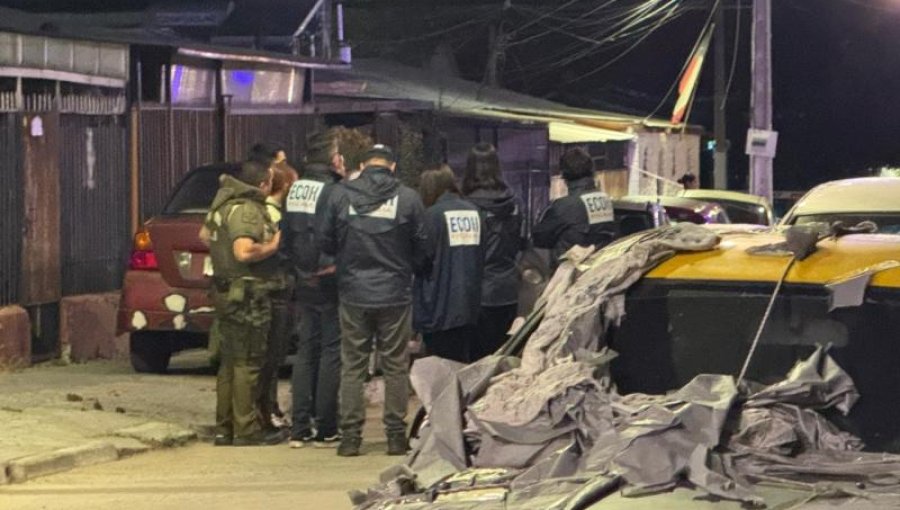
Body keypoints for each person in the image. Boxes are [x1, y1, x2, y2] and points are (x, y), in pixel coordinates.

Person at [317, 144, 429, 457]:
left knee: (353, 365)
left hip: (353, 292)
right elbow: (423, 245)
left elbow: (324, 238)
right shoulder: (408, 198)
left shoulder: (340, 194)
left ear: (364, 165)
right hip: (395, 292)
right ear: (392, 167)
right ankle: (395, 436)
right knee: (395, 365)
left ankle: (350, 438)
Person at [203, 160, 285, 446]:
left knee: (228, 364)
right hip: (247, 296)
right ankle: (247, 429)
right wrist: (272, 246)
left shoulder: (222, 206)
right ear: (262, 184)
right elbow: (243, 251)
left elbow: (205, 237)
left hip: (226, 294)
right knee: (247, 364)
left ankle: (225, 428)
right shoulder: (247, 210)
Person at [282, 130, 345, 448]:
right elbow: (342, 236)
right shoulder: (334, 192)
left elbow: (285, 237)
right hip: (329, 279)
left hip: (301, 279)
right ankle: (326, 427)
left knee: (306, 351)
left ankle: (298, 427)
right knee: (331, 351)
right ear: (333, 159)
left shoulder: (295, 190)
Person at [414, 164, 483, 363]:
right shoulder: (475, 212)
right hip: (469, 304)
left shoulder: (432, 215)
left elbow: (420, 259)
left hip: (438, 305)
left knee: (440, 367)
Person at [461, 142, 524, 361]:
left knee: (477, 360)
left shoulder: (466, 206)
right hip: (508, 288)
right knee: (503, 357)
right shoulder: (513, 203)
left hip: (477, 292)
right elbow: (520, 242)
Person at [532, 147, 617, 269]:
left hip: (571, 273)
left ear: (564, 175)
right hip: (601, 270)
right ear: (591, 170)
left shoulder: (565, 206)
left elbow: (540, 237)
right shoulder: (605, 199)